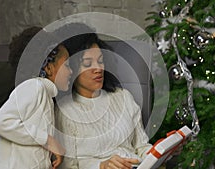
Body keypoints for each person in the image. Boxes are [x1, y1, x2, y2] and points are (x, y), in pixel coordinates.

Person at [54, 25, 152, 169]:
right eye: (87, 63)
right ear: (72, 68)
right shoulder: (64, 111)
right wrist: (101, 165)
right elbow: (68, 165)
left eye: (100, 61)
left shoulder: (123, 97)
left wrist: (160, 153)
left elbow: (142, 147)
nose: (98, 69)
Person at [0, 29, 72, 169]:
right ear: (49, 67)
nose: (71, 72)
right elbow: (0, 122)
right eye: (67, 65)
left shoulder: (46, 96)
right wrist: (47, 140)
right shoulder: (34, 87)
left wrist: (52, 149)